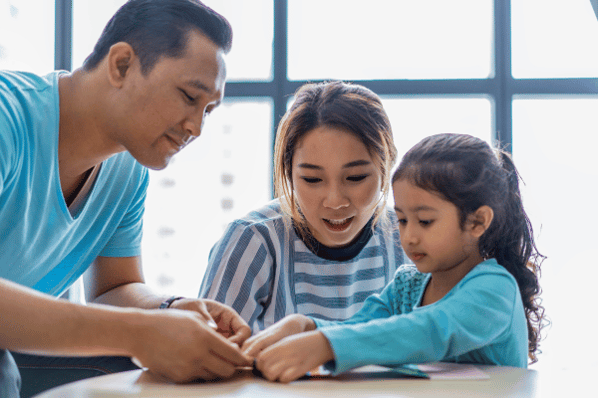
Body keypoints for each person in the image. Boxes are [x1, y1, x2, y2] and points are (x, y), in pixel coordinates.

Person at [0, 0, 253, 396]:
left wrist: (169, 310)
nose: (197, 128)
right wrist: (139, 333)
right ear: (121, 65)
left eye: (208, 110)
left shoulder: (127, 168)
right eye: (189, 97)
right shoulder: (6, 118)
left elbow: (111, 290)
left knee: (141, 374)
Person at [242, 133, 547, 383]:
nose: (410, 236)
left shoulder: (495, 290)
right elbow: (360, 327)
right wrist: (307, 326)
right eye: (402, 220)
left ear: (477, 222)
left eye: (425, 221)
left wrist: (323, 345)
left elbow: (430, 330)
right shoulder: (406, 285)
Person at [199, 81, 406, 332]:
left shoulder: (407, 236)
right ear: (289, 174)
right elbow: (206, 354)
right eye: (312, 180)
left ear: (387, 168)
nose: (335, 201)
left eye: (355, 178)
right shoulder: (254, 240)